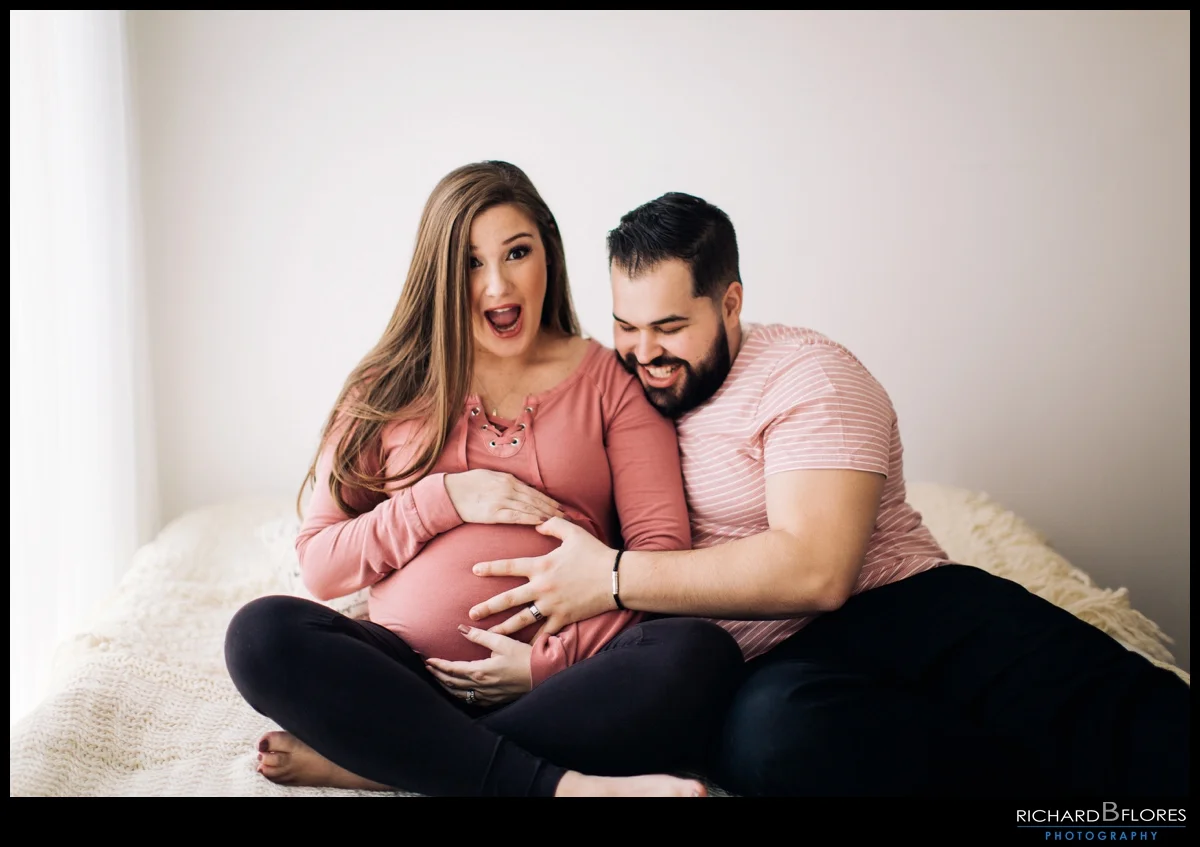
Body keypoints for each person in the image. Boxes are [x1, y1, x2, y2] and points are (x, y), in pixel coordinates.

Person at [467, 191, 1191, 797]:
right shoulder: (613, 390)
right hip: (761, 668)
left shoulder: (806, 374)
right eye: (626, 326)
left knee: (1124, 725)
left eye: (670, 327)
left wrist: (613, 577)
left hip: (901, 607)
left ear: (730, 303)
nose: (645, 351)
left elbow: (818, 571)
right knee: (775, 738)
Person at [223, 164, 744, 798]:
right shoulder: (390, 386)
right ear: (440, 275)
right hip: (405, 675)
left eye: (517, 253)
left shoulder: (611, 382)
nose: (498, 284)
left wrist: (548, 663)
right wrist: (440, 499)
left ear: (548, 254)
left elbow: (659, 560)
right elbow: (322, 565)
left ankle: (384, 763)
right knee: (260, 636)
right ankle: (559, 787)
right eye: (471, 263)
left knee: (700, 653)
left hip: (564, 681)